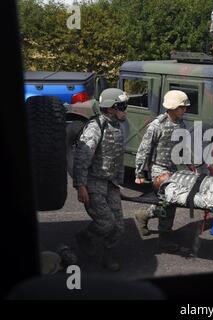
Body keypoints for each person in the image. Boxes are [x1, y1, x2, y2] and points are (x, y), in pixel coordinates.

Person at [72, 88, 128, 271]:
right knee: (105, 222)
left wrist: (118, 183)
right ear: (110, 108)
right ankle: (85, 236)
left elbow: (117, 157)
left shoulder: (116, 125)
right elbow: (82, 157)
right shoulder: (96, 127)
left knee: (119, 226)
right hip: (93, 182)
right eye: (121, 106)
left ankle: (108, 255)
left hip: (110, 183)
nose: (125, 110)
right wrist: (81, 185)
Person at [134, 90, 188, 251]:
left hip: (172, 168)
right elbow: (144, 150)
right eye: (181, 107)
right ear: (172, 108)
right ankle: (164, 239)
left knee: (168, 202)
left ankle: (144, 214)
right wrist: (139, 173)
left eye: (185, 107)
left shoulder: (181, 123)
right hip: (158, 168)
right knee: (169, 202)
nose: (184, 110)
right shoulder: (157, 125)